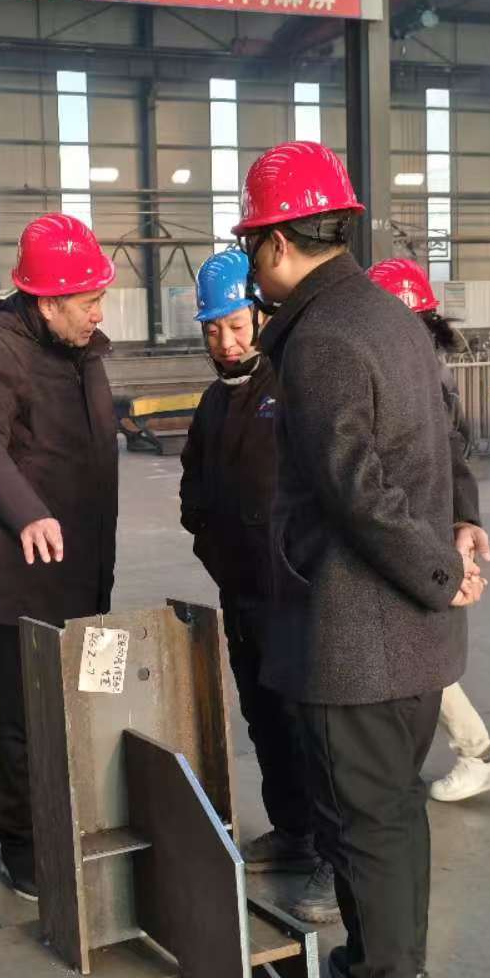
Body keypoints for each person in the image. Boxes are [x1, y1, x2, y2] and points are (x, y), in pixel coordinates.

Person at [234, 140, 486, 978]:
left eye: (252, 247)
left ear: (273, 244)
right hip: (410, 640)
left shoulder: (322, 339)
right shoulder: (387, 313)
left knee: (364, 827)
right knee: (389, 818)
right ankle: (391, 974)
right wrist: (459, 532)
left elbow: (357, 491)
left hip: (359, 639)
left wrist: (438, 569)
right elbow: (444, 438)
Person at [0, 213, 118, 899]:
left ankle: (80, 822)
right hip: (20, 579)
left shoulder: (82, 349)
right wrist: (28, 510)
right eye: (88, 301)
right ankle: (24, 850)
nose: (99, 313)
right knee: (22, 719)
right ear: (47, 302)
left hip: (85, 571)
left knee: (85, 706)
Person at [179, 249, 337, 925]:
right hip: (242, 594)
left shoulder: (293, 387)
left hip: (294, 595)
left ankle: (335, 855)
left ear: (262, 317)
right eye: (213, 329)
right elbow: (193, 488)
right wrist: (214, 545)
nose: (226, 341)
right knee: (265, 718)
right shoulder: (215, 403)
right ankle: (294, 830)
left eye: (236, 325)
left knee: (312, 726)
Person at [367, 257, 490, 804]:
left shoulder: (417, 380)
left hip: (411, 532)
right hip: (420, 530)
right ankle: (479, 753)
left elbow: (446, 459)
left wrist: (460, 526)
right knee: (418, 652)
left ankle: (478, 754)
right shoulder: (426, 372)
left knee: (415, 654)